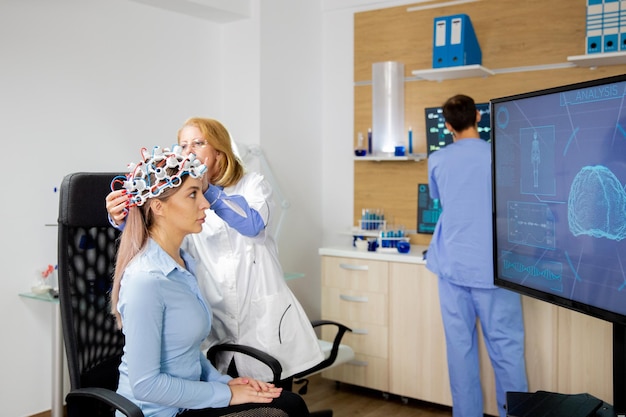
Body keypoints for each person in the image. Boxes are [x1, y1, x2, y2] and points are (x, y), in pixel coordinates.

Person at [106, 118, 323, 382]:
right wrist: (122, 220)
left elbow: (252, 224)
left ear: (219, 152)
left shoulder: (252, 185)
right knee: (233, 393)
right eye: (183, 145)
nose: (188, 152)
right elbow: (161, 236)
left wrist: (205, 190)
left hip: (265, 324)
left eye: (198, 143)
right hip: (216, 323)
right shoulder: (184, 205)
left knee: (273, 399)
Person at [426, 94, 528, 417]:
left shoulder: (438, 160)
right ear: (479, 118)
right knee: (507, 353)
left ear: (447, 125)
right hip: (494, 269)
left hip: (453, 267)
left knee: (460, 353)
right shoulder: (498, 156)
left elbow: (439, 198)